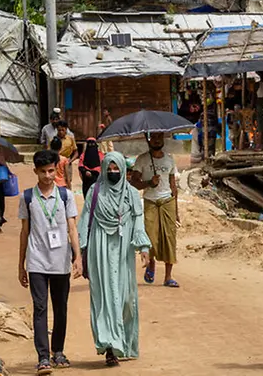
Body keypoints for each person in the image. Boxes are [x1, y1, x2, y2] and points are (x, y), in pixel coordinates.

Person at [78, 152, 152, 367]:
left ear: (123, 169)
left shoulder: (130, 193)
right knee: (105, 299)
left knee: (126, 298)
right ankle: (110, 346)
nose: (113, 172)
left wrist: (144, 248)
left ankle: (126, 343)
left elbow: (138, 221)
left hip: (123, 253)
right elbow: (84, 222)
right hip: (98, 251)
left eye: (116, 168)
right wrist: (78, 254)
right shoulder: (95, 192)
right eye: (109, 169)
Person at [19, 150, 83, 376]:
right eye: (43, 171)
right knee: (40, 308)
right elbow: (24, 232)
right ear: (35, 171)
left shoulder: (65, 196)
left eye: (51, 171)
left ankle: (58, 351)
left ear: (57, 169)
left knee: (61, 308)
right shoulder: (27, 197)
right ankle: (43, 357)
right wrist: (21, 265)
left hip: (60, 260)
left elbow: (72, 228)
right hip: (36, 262)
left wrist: (78, 257)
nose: (47, 176)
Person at [130, 132, 180, 288]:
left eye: (160, 137)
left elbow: (173, 185)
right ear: (149, 139)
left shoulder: (170, 159)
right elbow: (134, 182)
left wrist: (176, 210)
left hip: (168, 202)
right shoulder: (142, 159)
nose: (157, 140)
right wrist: (149, 183)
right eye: (154, 137)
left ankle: (168, 276)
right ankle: (151, 263)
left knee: (169, 237)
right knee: (151, 236)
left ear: (163, 140)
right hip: (151, 202)